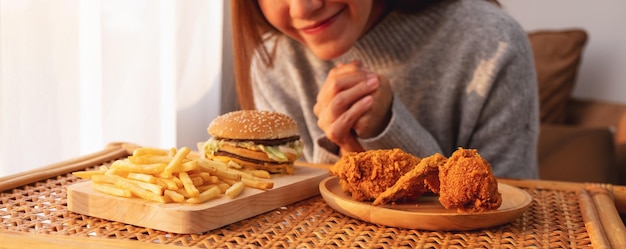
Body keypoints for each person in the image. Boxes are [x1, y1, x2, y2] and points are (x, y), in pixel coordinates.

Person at [229, 0, 539, 179]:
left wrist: (387, 131)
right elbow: (293, 221)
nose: (303, 8)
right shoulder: (274, 60)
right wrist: (345, 151)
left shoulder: (494, 43)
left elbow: (506, 210)